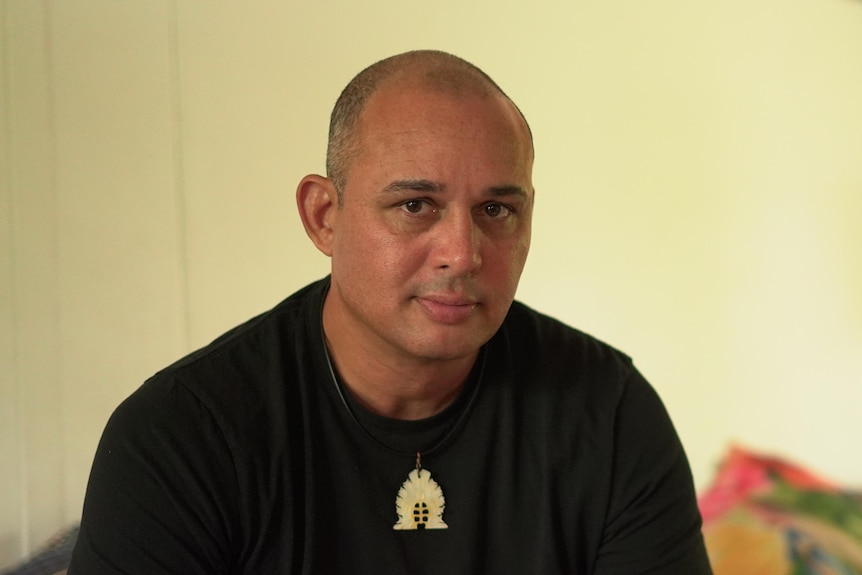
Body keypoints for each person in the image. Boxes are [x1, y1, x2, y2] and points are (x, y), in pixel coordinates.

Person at [69, 50, 712, 574]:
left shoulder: (610, 415)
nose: (462, 253)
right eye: (415, 206)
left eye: (496, 210)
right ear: (324, 217)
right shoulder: (180, 438)